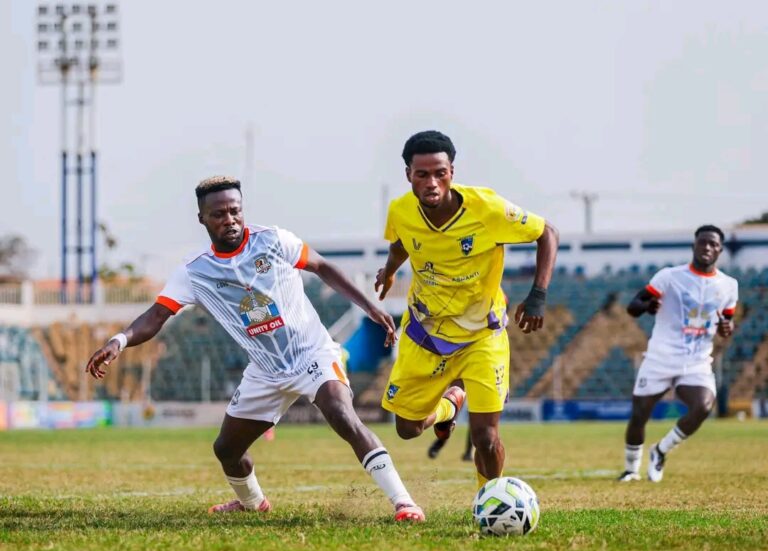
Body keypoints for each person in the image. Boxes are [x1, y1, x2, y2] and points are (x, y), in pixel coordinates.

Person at [85, 175, 425, 522]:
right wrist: (119, 340)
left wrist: (370, 307)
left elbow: (323, 267)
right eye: (219, 214)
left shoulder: (274, 240)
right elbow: (157, 315)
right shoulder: (194, 271)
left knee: (342, 415)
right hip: (265, 370)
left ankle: (404, 503)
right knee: (226, 450)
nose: (230, 219)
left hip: (312, 354)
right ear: (202, 218)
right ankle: (252, 502)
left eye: (235, 211)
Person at [375, 131, 559, 489]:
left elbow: (547, 233)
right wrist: (390, 269)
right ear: (408, 174)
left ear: (452, 172)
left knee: (486, 437)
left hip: (482, 335)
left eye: (440, 173)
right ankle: (450, 404)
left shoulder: (487, 209)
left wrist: (538, 294)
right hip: (426, 333)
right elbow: (401, 243)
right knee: (407, 428)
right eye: (422, 174)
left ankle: (489, 500)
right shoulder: (400, 210)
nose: (432, 182)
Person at [618, 225, 738, 482]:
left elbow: (727, 322)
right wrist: (647, 305)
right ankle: (631, 470)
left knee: (703, 406)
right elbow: (633, 306)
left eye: (713, 244)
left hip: (697, 361)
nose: (707, 247)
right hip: (660, 357)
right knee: (639, 414)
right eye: (703, 242)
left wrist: (727, 327)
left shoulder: (729, 285)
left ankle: (661, 450)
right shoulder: (669, 277)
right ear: (694, 245)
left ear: (720, 250)